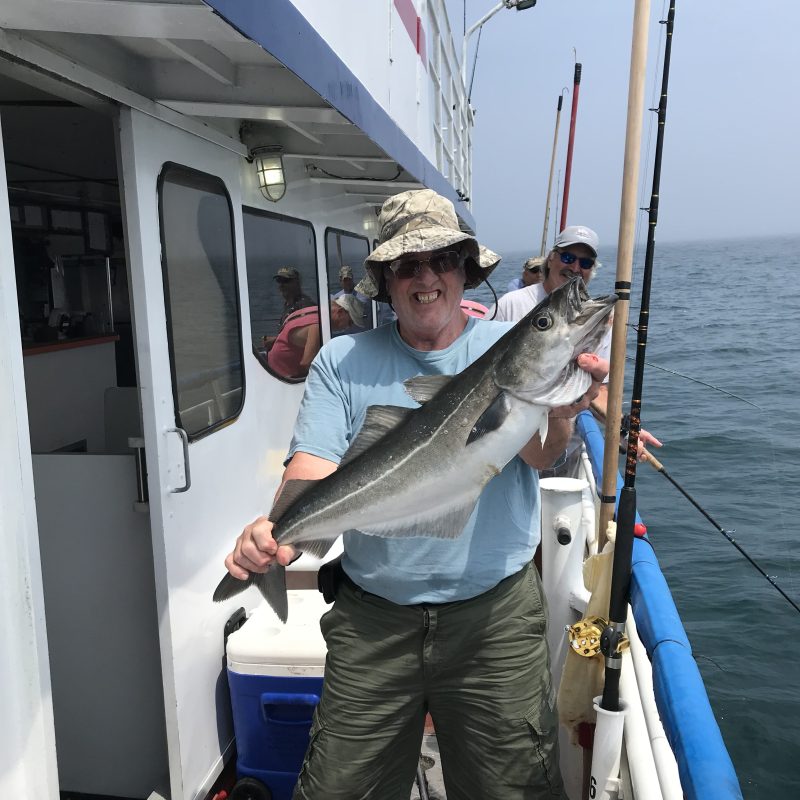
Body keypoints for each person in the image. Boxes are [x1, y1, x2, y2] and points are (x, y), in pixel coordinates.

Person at [224, 189, 608, 799]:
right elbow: (313, 466)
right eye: (408, 265)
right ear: (385, 279)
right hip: (373, 620)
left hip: (495, 621)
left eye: (443, 261)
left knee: (510, 790)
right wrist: (276, 539)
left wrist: (564, 409)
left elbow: (536, 453)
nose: (426, 278)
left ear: (465, 272)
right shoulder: (342, 359)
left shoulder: (499, 348)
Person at [490, 226, 661, 466]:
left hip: (561, 445)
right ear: (551, 257)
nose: (575, 268)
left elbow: (599, 389)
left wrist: (623, 429)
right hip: (505, 444)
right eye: (568, 257)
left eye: (586, 263)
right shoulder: (511, 304)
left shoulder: (595, 319)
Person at [267, 295, 364, 379]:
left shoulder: (313, 310)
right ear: (340, 312)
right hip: (281, 379)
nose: (349, 327)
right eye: (350, 322)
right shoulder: (318, 326)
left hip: (271, 369)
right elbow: (306, 364)